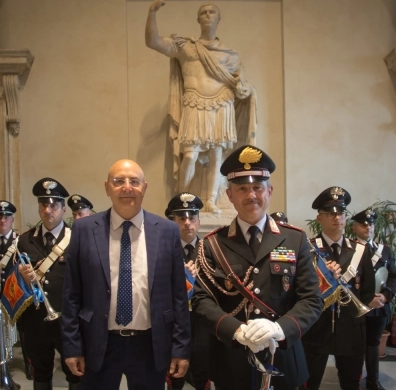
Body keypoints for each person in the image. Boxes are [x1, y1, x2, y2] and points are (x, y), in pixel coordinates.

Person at [192, 145, 324, 390]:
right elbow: (201, 300)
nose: (251, 195)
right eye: (242, 188)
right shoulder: (213, 244)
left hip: (282, 357)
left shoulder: (295, 239)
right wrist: (236, 330)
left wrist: (279, 328)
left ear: (269, 191)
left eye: (257, 187)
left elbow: (312, 299)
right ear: (230, 195)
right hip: (232, 361)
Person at [61, 159, 191, 390]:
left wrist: (180, 348)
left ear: (145, 187)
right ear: (107, 187)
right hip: (98, 342)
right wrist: (72, 347)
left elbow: (178, 296)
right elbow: (72, 294)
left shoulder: (168, 231)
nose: (127, 187)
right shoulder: (84, 230)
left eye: (134, 181)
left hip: (150, 344)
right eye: (118, 181)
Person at [145, 0, 257, 214]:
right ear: (198, 19)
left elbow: (240, 86)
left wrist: (246, 90)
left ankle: (211, 200)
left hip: (222, 105)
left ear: (218, 18)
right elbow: (153, 42)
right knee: (190, 155)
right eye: (203, 12)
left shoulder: (230, 55)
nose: (207, 15)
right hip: (194, 104)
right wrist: (152, 11)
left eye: (212, 12)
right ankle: (181, 200)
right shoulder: (186, 47)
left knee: (217, 156)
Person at [301, 187, 376, 390]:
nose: (337, 218)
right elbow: (301, 289)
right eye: (330, 213)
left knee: (351, 382)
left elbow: (368, 290)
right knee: (309, 381)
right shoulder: (307, 248)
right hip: (317, 326)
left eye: (341, 213)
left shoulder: (361, 250)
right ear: (319, 218)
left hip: (351, 327)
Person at [17, 178, 81, 390]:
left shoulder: (77, 239)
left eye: (54, 205)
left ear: (64, 209)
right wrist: (23, 279)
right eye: (43, 205)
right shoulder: (25, 240)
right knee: (40, 373)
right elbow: (14, 284)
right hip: (35, 321)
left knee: (75, 373)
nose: (48, 210)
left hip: (68, 320)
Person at [165, 193, 210, 390]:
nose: (187, 223)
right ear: (173, 221)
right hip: (173, 324)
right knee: (175, 376)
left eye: (192, 218)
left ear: (199, 222)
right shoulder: (164, 251)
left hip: (202, 323)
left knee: (202, 375)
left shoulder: (210, 251)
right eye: (181, 218)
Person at [352, 208, 396, 390]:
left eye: (371, 224)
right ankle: (353, 380)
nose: (368, 228)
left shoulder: (384, 250)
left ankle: (373, 379)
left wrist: (386, 296)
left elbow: (394, 276)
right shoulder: (349, 249)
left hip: (379, 306)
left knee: (373, 343)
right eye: (363, 225)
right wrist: (365, 299)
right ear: (355, 227)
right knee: (355, 346)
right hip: (357, 307)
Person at [0, 200, 23, 388]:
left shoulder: (19, 241)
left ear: (12, 219)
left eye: (6, 217)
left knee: (11, 336)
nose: (2, 220)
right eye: (0, 217)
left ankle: (26, 364)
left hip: (11, 296)